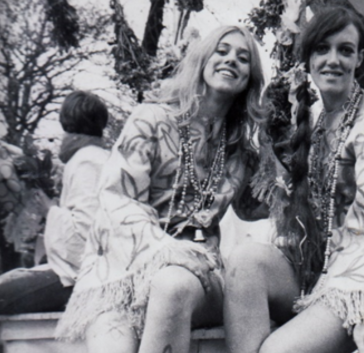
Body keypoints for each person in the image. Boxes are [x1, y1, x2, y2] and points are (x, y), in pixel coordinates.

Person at [224, 7, 364, 353]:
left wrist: (363, 315)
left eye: (345, 49)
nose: (332, 60)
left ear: (361, 59)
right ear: (308, 59)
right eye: (322, 49)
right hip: (319, 274)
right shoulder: (315, 119)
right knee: (245, 262)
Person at [55, 25, 266, 353]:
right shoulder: (150, 119)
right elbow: (117, 196)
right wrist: (164, 251)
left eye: (243, 58)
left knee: (171, 285)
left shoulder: (240, 150)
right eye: (222, 51)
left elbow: (257, 207)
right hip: (122, 270)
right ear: (202, 59)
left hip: (196, 273)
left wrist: (282, 156)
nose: (231, 60)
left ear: (250, 77)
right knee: (112, 336)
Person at [0, 91, 110, 314]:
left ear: (67, 122)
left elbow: (85, 236)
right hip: (87, 271)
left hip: (82, 276)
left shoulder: (87, 161)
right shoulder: (97, 156)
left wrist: (50, 210)